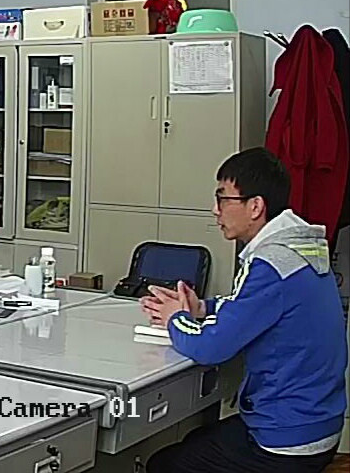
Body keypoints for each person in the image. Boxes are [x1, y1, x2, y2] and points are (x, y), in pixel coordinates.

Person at [142, 147, 346, 472]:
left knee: (165, 464)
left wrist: (174, 318)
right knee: (196, 440)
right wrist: (202, 308)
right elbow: (253, 307)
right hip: (318, 422)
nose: (215, 210)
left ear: (255, 206)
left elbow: (211, 347)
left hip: (286, 441)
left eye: (222, 199)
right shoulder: (299, 251)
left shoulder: (271, 263)